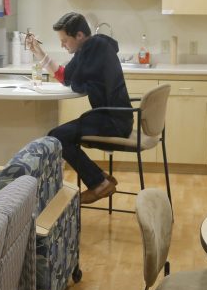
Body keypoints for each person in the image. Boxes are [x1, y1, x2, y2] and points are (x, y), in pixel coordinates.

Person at [27, 12, 132, 204]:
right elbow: (67, 76)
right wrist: (40, 54)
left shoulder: (92, 48)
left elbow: (67, 78)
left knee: (56, 136)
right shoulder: (99, 45)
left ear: (80, 36)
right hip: (117, 117)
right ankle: (99, 177)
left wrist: (42, 56)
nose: (62, 45)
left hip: (112, 121)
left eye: (64, 40)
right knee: (59, 134)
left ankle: (99, 183)